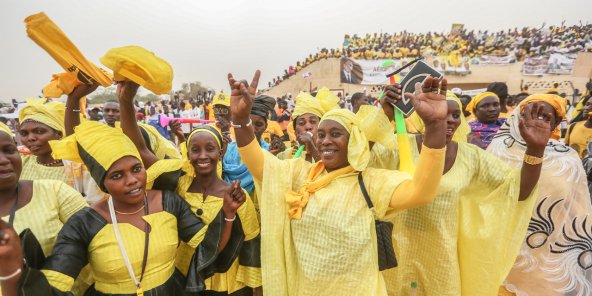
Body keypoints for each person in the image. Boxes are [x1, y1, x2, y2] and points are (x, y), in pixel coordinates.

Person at [229, 70, 448, 295]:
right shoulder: (301, 175)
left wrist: (435, 126)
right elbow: (258, 162)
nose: (325, 141)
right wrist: (240, 121)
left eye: (335, 134)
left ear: (354, 140)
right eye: (321, 134)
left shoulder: (369, 181)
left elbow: (421, 192)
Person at [379, 86, 550, 295]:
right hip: (397, 258)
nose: (448, 119)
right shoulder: (399, 148)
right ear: (422, 114)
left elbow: (516, 191)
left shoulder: (471, 157)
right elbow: (359, 162)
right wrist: (383, 114)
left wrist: (535, 149)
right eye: (442, 112)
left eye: (455, 114)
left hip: (442, 263)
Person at [487, 94, 592, 296]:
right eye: (529, 114)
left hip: (550, 259)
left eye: (545, 116)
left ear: (556, 122)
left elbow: (578, 211)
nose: (536, 121)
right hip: (504, 254)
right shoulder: (497, 151)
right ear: (517, 115)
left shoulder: (567, 159)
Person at [0, 122, 90, 295]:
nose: (3, 160)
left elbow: (94, 238)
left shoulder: (53, 191)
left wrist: (50, 283)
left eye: (9, 150)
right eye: (24, 133)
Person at [18, 93, 106, 204]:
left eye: (39, 131)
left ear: (59, 134)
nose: (30, 138)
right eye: (24, 133)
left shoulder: (79, 166)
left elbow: (95, 206)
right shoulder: (20, 161)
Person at [276, 88, 339, 162]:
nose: (308, 127)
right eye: (302, 123)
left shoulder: (331, 152)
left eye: (313, 122)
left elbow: (328, 171)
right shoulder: (284, 156)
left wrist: (312, 149)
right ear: (295, 131)